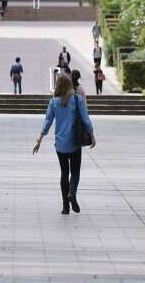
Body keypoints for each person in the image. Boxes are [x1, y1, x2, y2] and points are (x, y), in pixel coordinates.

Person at [33, 73, 95, 214]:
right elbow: (85, 118)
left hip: (60, 144)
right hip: (74, 142)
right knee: (75, 172)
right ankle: (72, 193)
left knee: (64, 173)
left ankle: (65, 207)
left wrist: (40, 140)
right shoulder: (77, 99)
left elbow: (47, 122)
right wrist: (92, 134)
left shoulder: (54, 102)